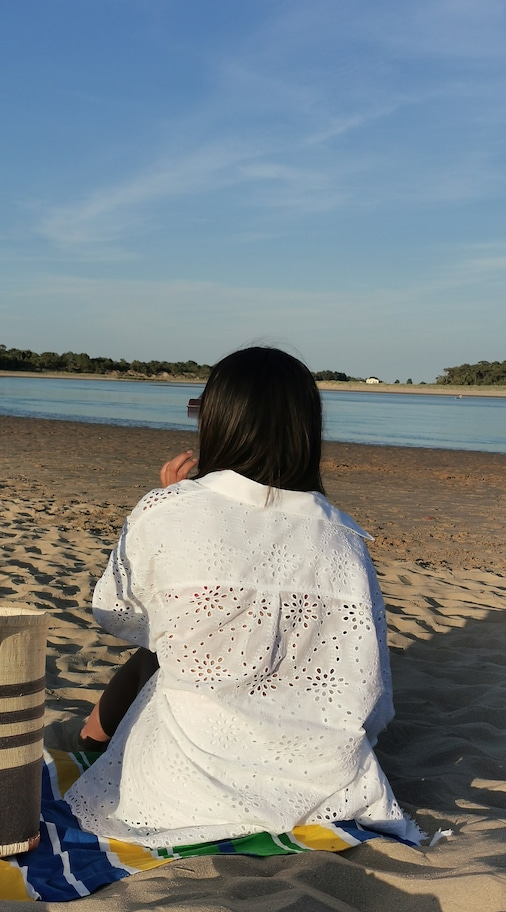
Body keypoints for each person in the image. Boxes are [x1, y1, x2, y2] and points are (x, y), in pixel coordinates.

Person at [64, 345, 420, 848]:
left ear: (218, 423)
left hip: (179, 790)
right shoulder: (344, 539)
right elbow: (373, 698)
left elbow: (118, 611)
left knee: (168, 648)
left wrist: (169, 501)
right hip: (323, 790)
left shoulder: (169, 510)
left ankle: (91, 740)